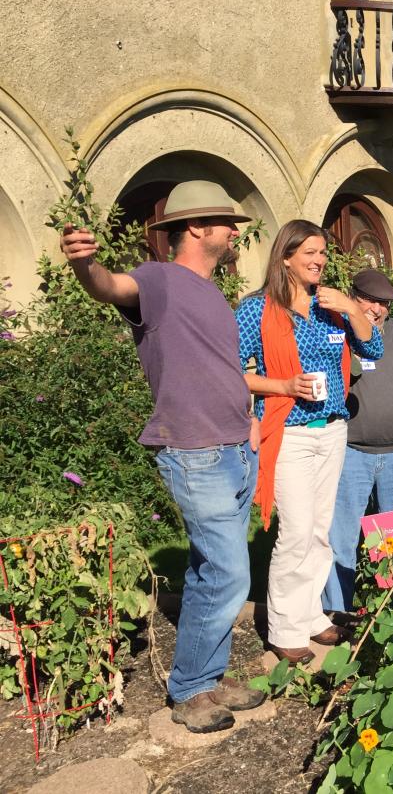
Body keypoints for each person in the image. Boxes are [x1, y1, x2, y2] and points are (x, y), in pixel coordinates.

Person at [60, 180, 265, 733]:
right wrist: (85, 266)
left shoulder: (213, 292)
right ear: (197, 228)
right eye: (227, 221)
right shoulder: (159, 279)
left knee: (206, 570)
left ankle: (209, 675)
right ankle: (191, 690)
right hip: (194, 451)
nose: (234, 230)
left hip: (232, 448)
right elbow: (108, 286)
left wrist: (248, 419)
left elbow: (218, 370)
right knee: (228, 573)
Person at [235, 220, 382, 665]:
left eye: (322, 253)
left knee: (320, 530)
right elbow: (233, 374)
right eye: (310, 254)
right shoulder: (256, 310)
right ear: (285, 258)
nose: (319, 261)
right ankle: (284, 627)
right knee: (296, 531)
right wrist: (283, 385)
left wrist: (353, 310)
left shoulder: (330, 306)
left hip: (333, 429)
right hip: (291, 431)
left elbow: (372, 353)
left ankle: (311, 614)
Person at [322, 268, 393, 616]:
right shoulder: (336, 331)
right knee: (340, 536)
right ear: (353, 297)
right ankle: (336, 614)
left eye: (383, 303)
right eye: (369, 300)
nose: (377, 309)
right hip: (351, 452)